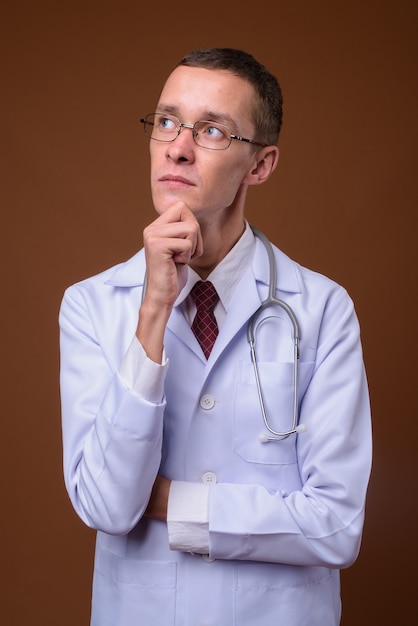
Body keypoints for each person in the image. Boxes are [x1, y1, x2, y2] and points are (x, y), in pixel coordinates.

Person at [59, 48, 372, 626]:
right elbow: (106, 505)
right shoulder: (92, 305)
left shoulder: (323, 309)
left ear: (260, 165)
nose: (177, 146)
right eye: (167, 122)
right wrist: (154, 309)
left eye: (212, 131)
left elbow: (334, 525)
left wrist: (171, 503)